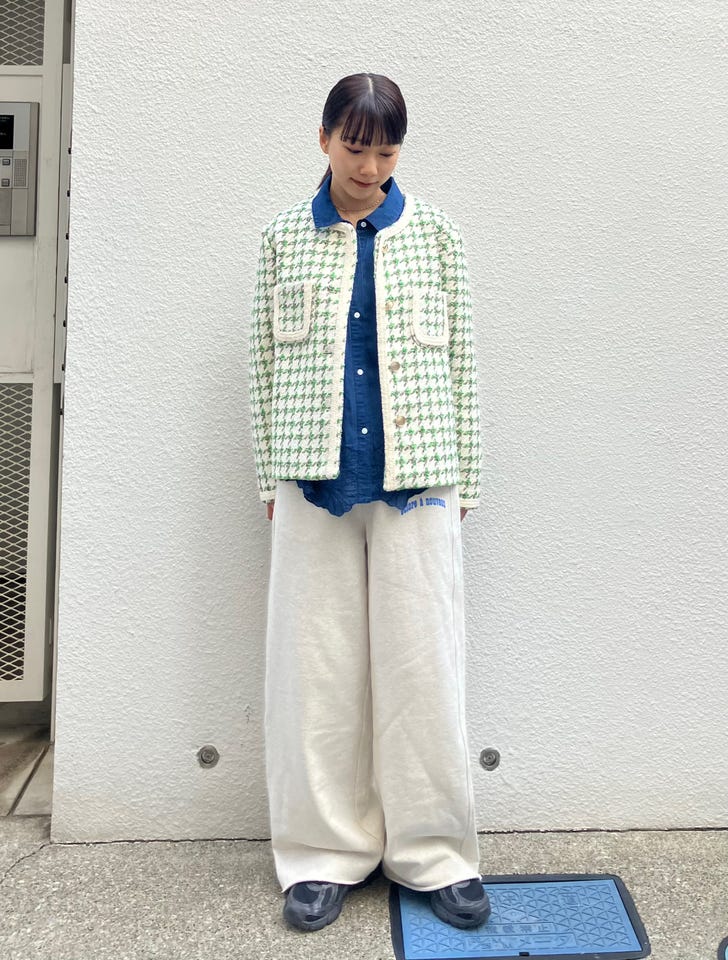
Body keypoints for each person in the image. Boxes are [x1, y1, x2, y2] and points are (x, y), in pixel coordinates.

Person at [248, 72, 490, 934]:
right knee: (315, 672)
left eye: (386, 152)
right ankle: (321, 856)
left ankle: (436, 854)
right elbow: (261, 365)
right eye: (356, 148)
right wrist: (267, 476)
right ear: (323, 139)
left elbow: (463, 362)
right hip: (310, 477)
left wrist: (467, 479)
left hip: (420, 478)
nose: (371, 167)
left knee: (424, 668)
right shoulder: (283, 238)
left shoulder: (437, 236)